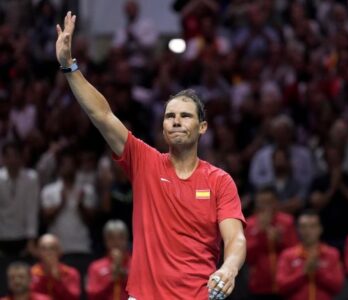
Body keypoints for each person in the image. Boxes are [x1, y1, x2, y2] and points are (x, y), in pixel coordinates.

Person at [56, 11, 246, 300]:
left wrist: (228, 269)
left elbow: (235, 238)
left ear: (203, 127)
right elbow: (103, 115)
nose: (177, 121)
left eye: (185, 116)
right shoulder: (144, 162)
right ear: (163, 126)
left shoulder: (219, 181)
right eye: (170, 116)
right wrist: (70, 67)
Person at [276, 210, 344, 300]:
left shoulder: (332, 254)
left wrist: (318, 272)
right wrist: (303, 273)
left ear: (320, 229)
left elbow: (337, 287)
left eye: (312, 226)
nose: (307, 231)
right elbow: (281, 287)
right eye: (303, 227)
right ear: (298, 229)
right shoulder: (287, 255)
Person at [245, 186, 298, 299]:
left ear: (276, 202)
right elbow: (248, 258)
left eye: (268, 202)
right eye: (261, 203)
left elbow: (295, 253)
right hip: (259, 286)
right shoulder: (249, 225)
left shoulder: (287, 222)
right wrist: (260, 234)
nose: (265, 207)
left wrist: (280, 241)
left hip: (285, 285)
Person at [0, 141, 39, 257]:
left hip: (23, 236)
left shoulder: (31, 178)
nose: (12, 160)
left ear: (21, 157)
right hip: (2, 235)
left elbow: (32, 209)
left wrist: (31, 240)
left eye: (15, 156)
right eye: (9, 156)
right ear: (3, 158)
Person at [87, 220, 131, 300]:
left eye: (120, 237)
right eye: (111, 238)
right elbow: (92, 295)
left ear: (126, 239)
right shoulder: (95, 267)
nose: (116, 242)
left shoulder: (136, 265)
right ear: (105, 240)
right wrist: (111, 279)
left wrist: (125, 277)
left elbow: (143, 291)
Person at [30, 234, 80, 300]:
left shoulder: (70, 273)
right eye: (44, 248)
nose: (48, 252)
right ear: (38, 252)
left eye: (52, 248)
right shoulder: (31, 273)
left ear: (59, 251)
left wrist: (58, 280)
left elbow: (74, 298)